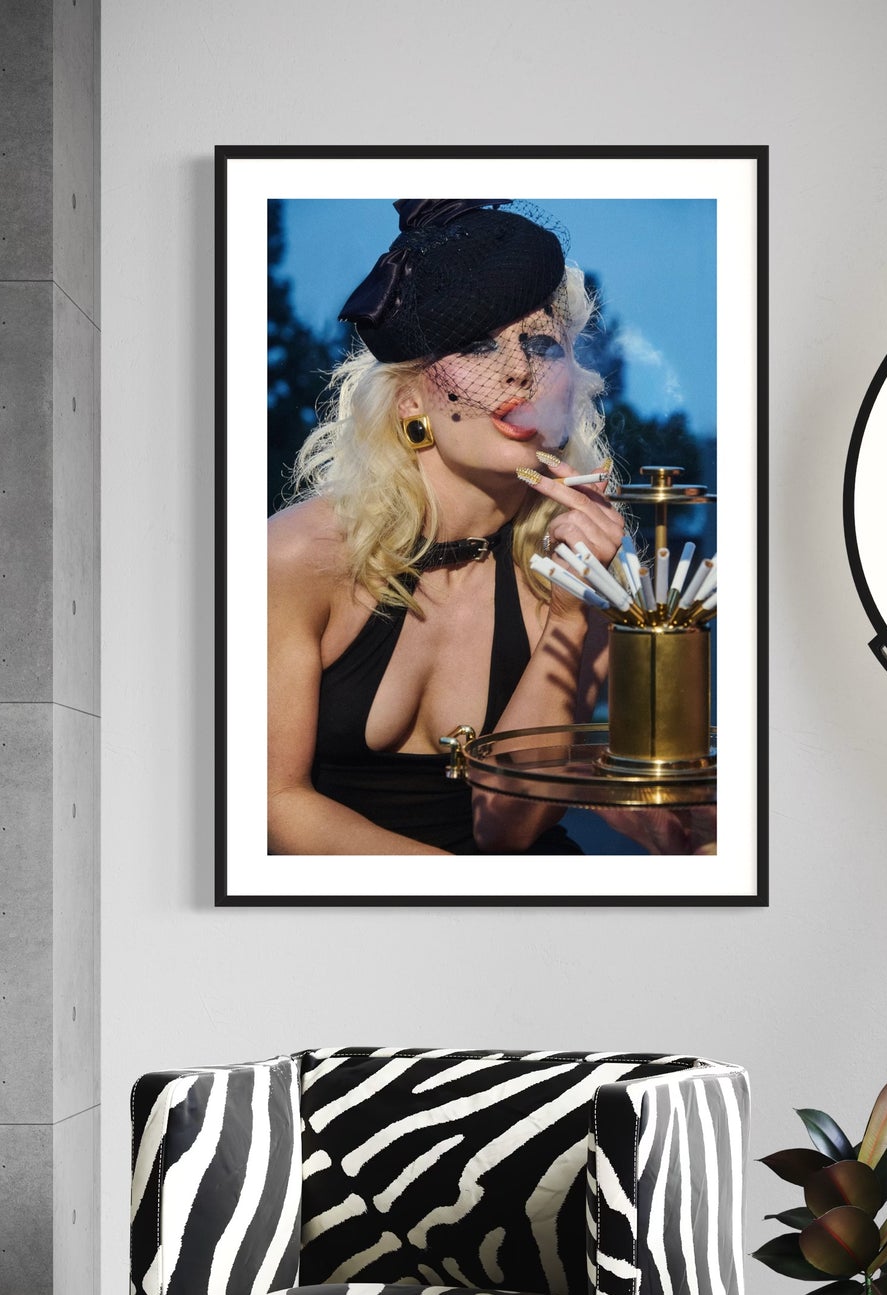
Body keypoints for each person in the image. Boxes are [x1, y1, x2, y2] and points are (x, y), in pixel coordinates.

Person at [268, 198, 637, 856]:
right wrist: (450, 908)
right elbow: (272, 801)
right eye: (476, 344)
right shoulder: (295, 557)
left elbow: (511, 826)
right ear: (411, 401)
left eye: (543, 345)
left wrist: (573, 612)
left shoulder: (591, 562)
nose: (519, 371)